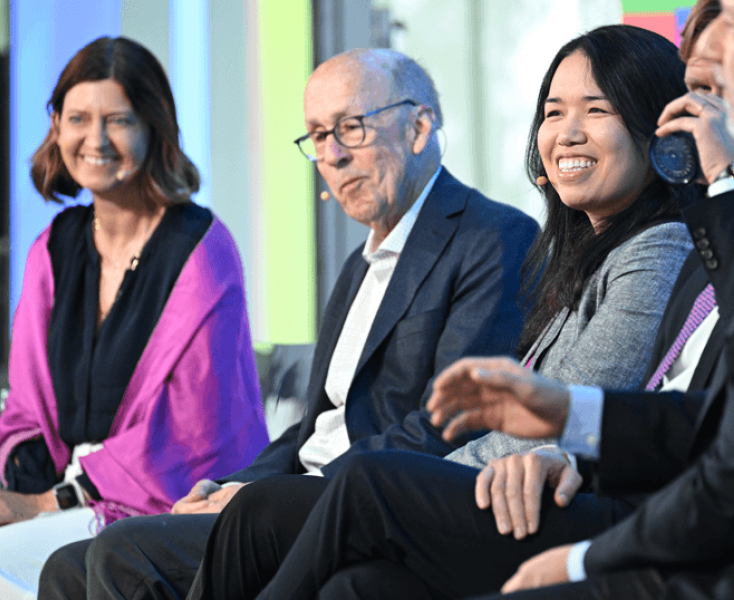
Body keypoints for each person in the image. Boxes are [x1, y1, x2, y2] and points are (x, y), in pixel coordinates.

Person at [268, 0, 734, 597]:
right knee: (356, 584)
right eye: (553, 112)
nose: (703, 110)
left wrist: (586, 554)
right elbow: (720, 419)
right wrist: (571, 432)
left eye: (726, 53)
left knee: (352, 493)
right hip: (637, 496)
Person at [177, 24, 705, 600]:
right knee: (336, 569)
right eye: (553, 113)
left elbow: (566, 406)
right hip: (508, 487)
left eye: (596, 109)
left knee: (357, 483)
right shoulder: (582, 260)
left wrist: (433, 476)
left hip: (566, 502)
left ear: (656, 125)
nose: (567, 134)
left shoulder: (658, 245)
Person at [37, 47, 540, 600]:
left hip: (361, 505)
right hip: (289, 500)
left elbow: (453, 424)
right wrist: (233, 485)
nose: (332, 155)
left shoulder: (492, 237)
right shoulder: (358, 266)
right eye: (318, 137)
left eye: (351, 128)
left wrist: (266, 496)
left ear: (419, 127)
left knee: (123, 551)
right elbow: (313, 432)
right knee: (66, 566)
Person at [0, 36, 270, 600]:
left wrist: (47, 503)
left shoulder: (201, 248)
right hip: (60, 499)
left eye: (118, 120)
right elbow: (26, 406)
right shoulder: (53, 248)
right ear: (56, 126)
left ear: (153, 127)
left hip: (163, 505)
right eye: (78, 118)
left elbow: (191, 433)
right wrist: (17, 499)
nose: (96, 139)